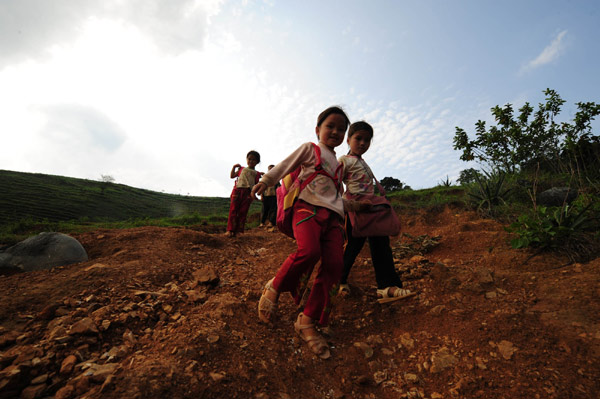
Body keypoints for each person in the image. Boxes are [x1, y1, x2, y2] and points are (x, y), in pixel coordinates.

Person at [251, 106, 366, 359]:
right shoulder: (309, 149)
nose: (335, 131)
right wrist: (267, 181)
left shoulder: (338, 166)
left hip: (333, 220)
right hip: (306, 210)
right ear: (318, 130)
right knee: (309, 251)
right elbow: (285, 165)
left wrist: (356, 206)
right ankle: (274, 287)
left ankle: (307, 320)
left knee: (335, 266)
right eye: (330, 126)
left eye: (340, 129)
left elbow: (334, 197)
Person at [338, 121, 415, 303]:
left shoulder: (363, 162)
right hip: (356, 210)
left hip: (372, 210)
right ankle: (337, 281)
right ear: (348, 140)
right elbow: (334, 184)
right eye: (358, 138)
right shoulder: (344, 161)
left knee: (381, 245)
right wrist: (346, 205)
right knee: (352, 247)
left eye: (367, 140)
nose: (363, 143)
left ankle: (386, 287)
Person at [226, 150, 262, 237]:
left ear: (257, 162)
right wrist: (234, 167)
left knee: (243, 212)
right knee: (233, 210)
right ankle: (230, 230)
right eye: (249, 159)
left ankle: (239, 231)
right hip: (237, 191)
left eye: (253, 160)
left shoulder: (257, 173)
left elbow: (256, 184)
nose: (251, 161)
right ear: (246, 159)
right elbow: (232, 176)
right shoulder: (241, 169)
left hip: (248, 193)